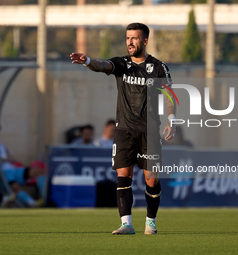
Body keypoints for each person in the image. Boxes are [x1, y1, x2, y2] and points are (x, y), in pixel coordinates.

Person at [71, 23, 176, 235]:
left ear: (145, 41)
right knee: (123, 176)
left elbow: (169, 95)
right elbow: (103, 66)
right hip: (124, 130)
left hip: (150, 132)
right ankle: (126, 223)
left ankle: (151, 221)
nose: (130, 42)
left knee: (151, 179)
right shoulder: (121, 64)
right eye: (128, 38)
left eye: (135, 38)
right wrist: (88, 61)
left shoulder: (158, 67)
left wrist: (171, 119)